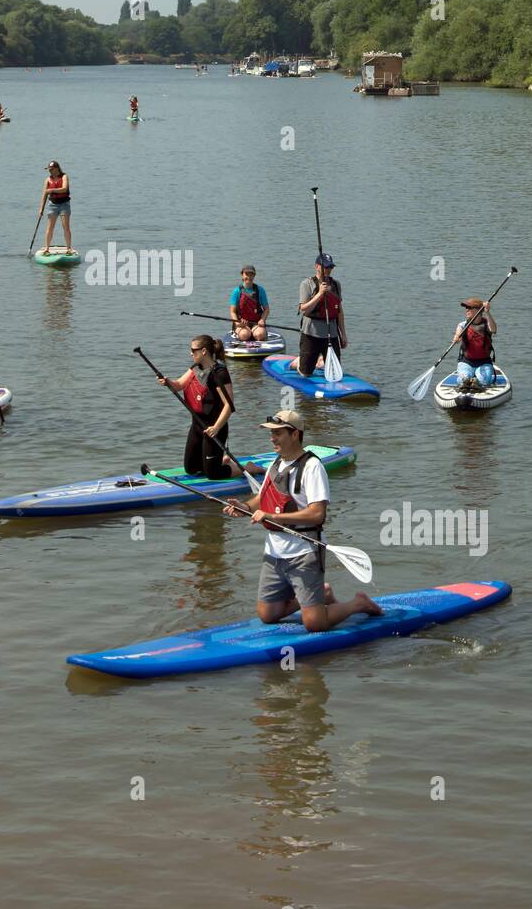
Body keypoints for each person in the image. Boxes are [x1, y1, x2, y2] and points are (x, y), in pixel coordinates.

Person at [225, 410, 380, 629]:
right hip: (274, 552)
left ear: (295, 434)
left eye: (278, 433)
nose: (272, 438)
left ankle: (357, 603)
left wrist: (272, 517)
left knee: (315, 624)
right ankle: (321, 594)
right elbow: (263, 497)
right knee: (267, 615)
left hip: (304, 553)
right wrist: (244, 507)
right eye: (272, 433)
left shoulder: (312, 467)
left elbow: (317, 513)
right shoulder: (275, 464)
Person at [158, 335, 234, 480]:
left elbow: (228, 406)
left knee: (213, 474)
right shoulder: (195, 368)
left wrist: (216, 427)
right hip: (197, 426)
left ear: (204, 351)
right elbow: (179, 385)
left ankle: (247, 468)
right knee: (191, 469)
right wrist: (168, 382)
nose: (191, 353)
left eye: (193, 350)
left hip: (214, 429)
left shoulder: (219, 373)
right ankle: (219, 460)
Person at [293, 252, 347, 376]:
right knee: (305, 373)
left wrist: (343, 335)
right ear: (317, 266)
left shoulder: (336, 285)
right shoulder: (307, 284)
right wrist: (319, 294)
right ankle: (298, 362)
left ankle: (320, 361)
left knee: (334, 373)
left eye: (330, 267)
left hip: (331, 333)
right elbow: (304, 309)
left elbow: (339, 311)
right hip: (311, 333)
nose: (328, 270)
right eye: (325, 267)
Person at [455, 297, 497, 389]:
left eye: (469, 308)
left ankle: (477, 381)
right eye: (466, 308)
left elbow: (493, 329)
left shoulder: (487, 324)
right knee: (462, 380)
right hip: (466, 362)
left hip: (484, 362)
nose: (466, 310)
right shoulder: (462, 325)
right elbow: (458, 333)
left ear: (479, 310)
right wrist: (456, 337)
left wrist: (487, 312)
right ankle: (468, 380)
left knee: (484, 381)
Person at [40, 160, 75, 255]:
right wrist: (41, 209)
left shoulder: (64, 176)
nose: (50, 171)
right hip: (53, 205)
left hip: (64, 204)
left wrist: (50, 190)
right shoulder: (47, 180)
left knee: (66, 227)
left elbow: (64, 188)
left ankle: (69, 248)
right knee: (50, 227)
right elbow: (44, 195)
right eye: (49, 169)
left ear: (57, 168)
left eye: (51, 169)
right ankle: (47, 248)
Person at [229, 265, 270, 341]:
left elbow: (266, 309)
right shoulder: (237, 291)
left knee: (259, 335)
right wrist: (238, 324)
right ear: (242, 275)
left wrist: (262, 320)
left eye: (251, 274)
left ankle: (258, 336)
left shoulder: (260, 290)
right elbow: (232, 312)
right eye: (246, 274)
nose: (249, 277)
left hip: (256, 323)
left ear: (254, 276)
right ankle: (242, 335)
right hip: (241, 323)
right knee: (244, 335)